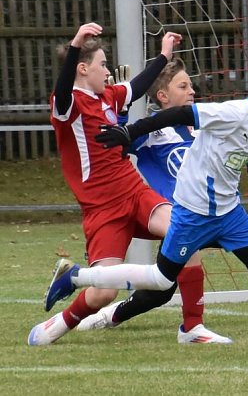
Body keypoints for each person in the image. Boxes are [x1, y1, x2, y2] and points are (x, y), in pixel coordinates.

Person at [44, 53, 248, 353]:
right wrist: (127, 127)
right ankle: (77, 277)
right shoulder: (229, 113)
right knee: (161, 282)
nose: (192, 91)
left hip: (228, 213)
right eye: (184, 86)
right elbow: (173, 117)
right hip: (194, 213)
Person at [28, 22, 231, 346]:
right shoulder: (68, 105)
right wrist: (77, 42)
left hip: (135, 192)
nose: (108, 72)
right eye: (102, 65)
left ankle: (192, 328)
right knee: (103, 293)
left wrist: (164, 55)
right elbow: (65, 86)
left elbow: (138, 84)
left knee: (186, 228)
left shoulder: (108, 96)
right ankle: (60, 323)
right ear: (82, 68)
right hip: (102, 208)